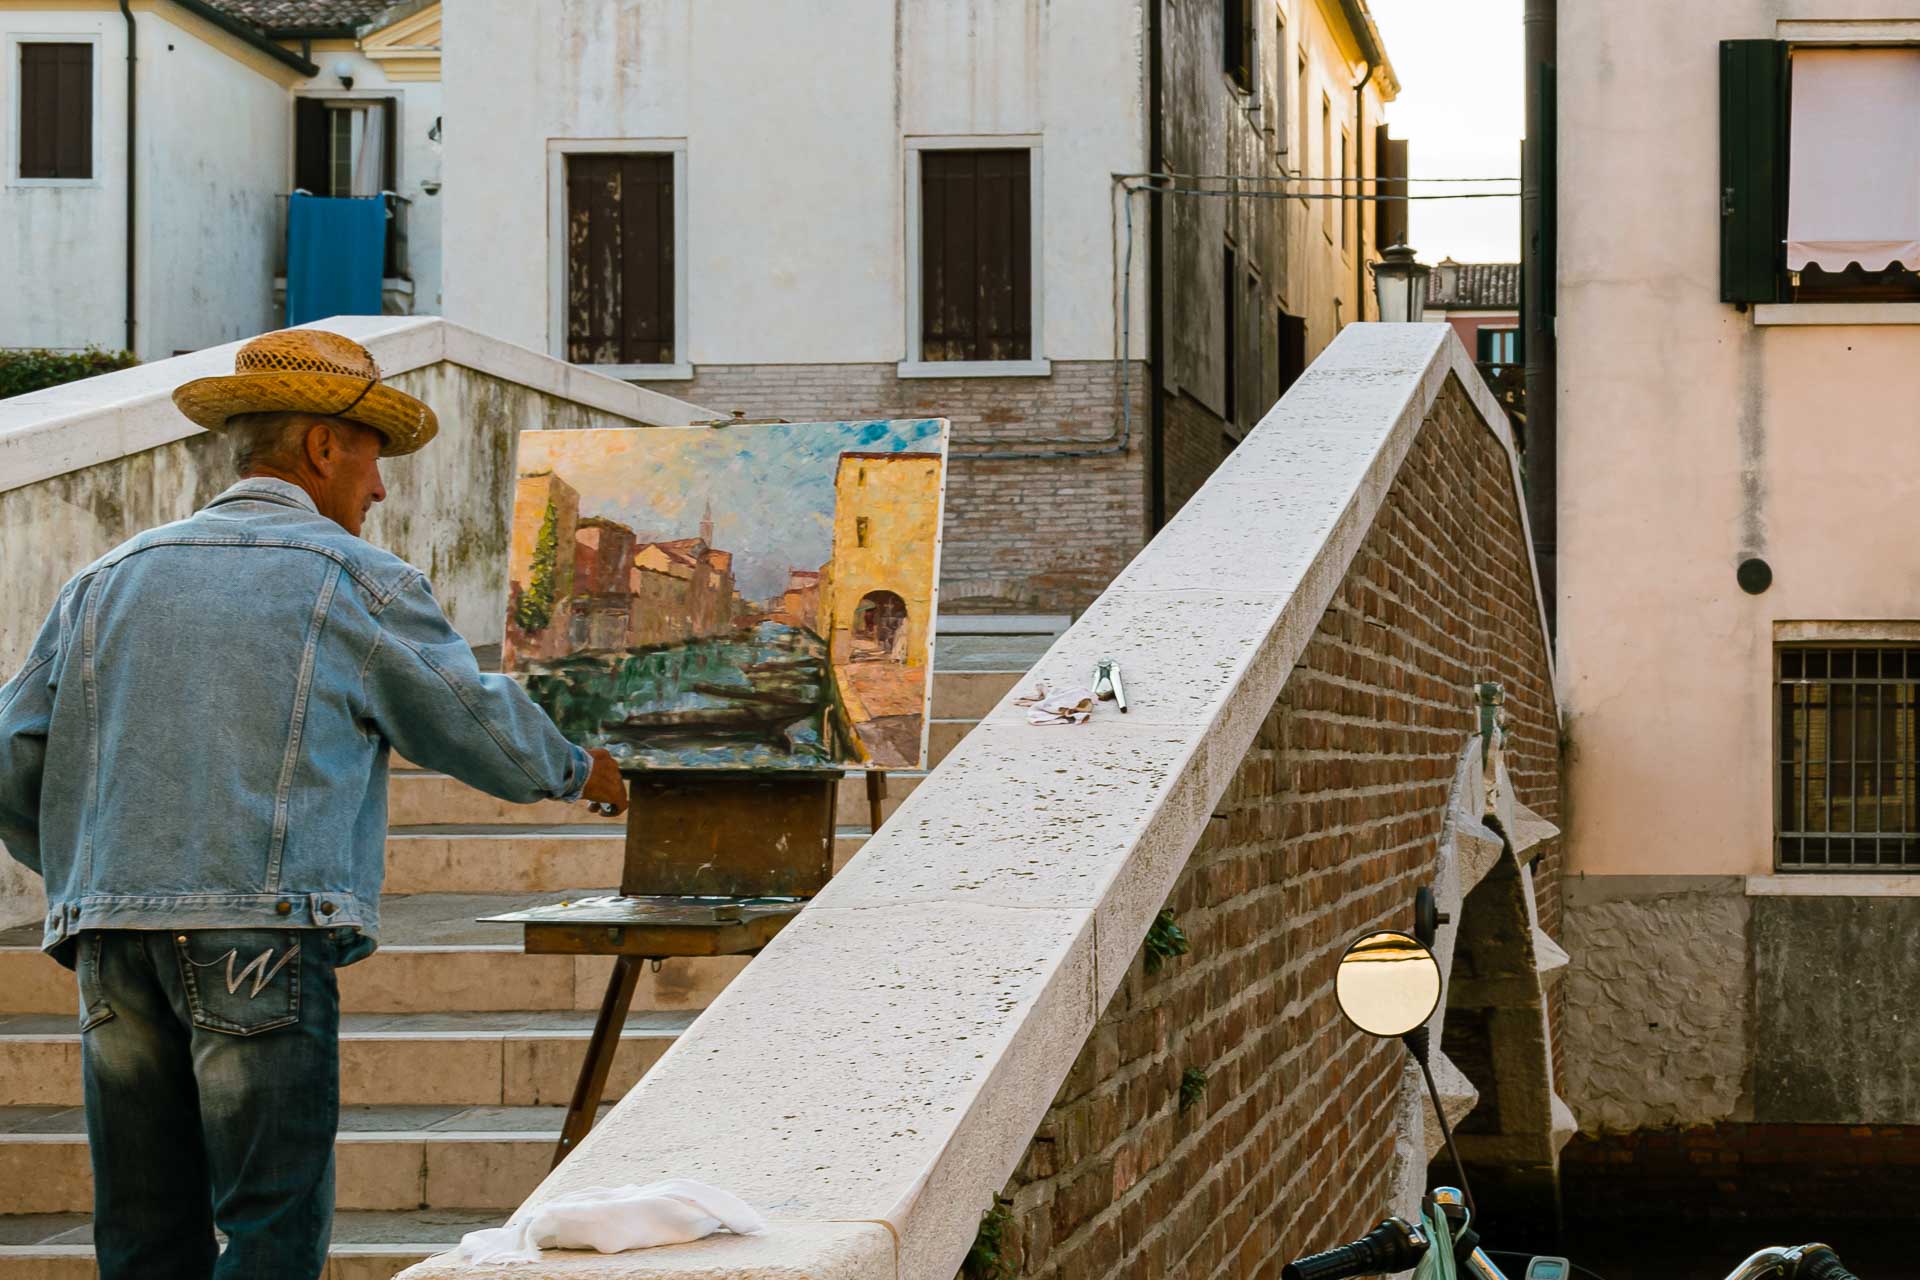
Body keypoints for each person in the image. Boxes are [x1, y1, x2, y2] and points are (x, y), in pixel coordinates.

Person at [0, 328, 630, 1280]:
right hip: (260, 931)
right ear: (323, 447)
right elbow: (470, 718)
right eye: (373, 460)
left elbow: (9, 750)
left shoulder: (105, 579)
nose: (379, 490)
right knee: (271, 1225)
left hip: (112, 936)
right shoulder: (351, 578)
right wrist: (583, 769)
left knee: (141, 1227)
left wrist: (90, 869)